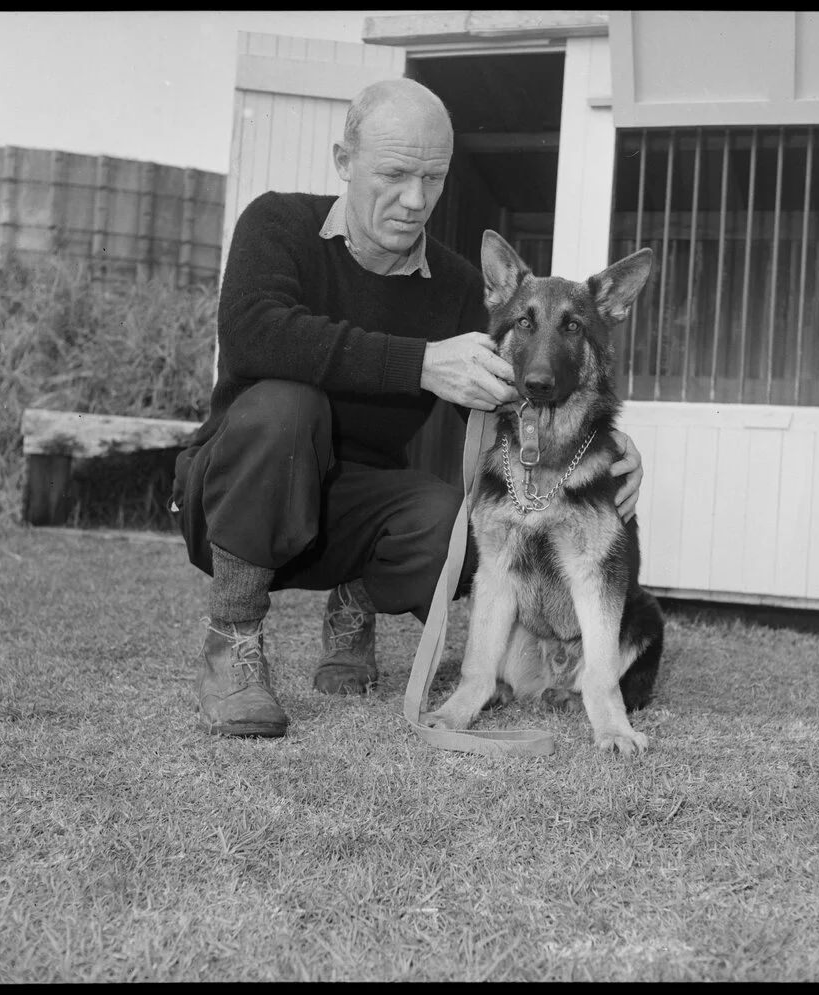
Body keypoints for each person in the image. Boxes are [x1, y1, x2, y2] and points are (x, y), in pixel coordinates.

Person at [171, 78, 644, 738]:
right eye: (393, 173)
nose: (415, 199)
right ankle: (234, 638)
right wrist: (422, 363)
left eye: (432, 176)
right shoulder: (277, 224)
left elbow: (514, 396)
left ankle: (353, 607)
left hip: (356, 511)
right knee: (286, 407)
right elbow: (256, 332)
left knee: (467, 526)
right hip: (241, 487)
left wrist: (605, 448)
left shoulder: (455, 286)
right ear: (343, 161)